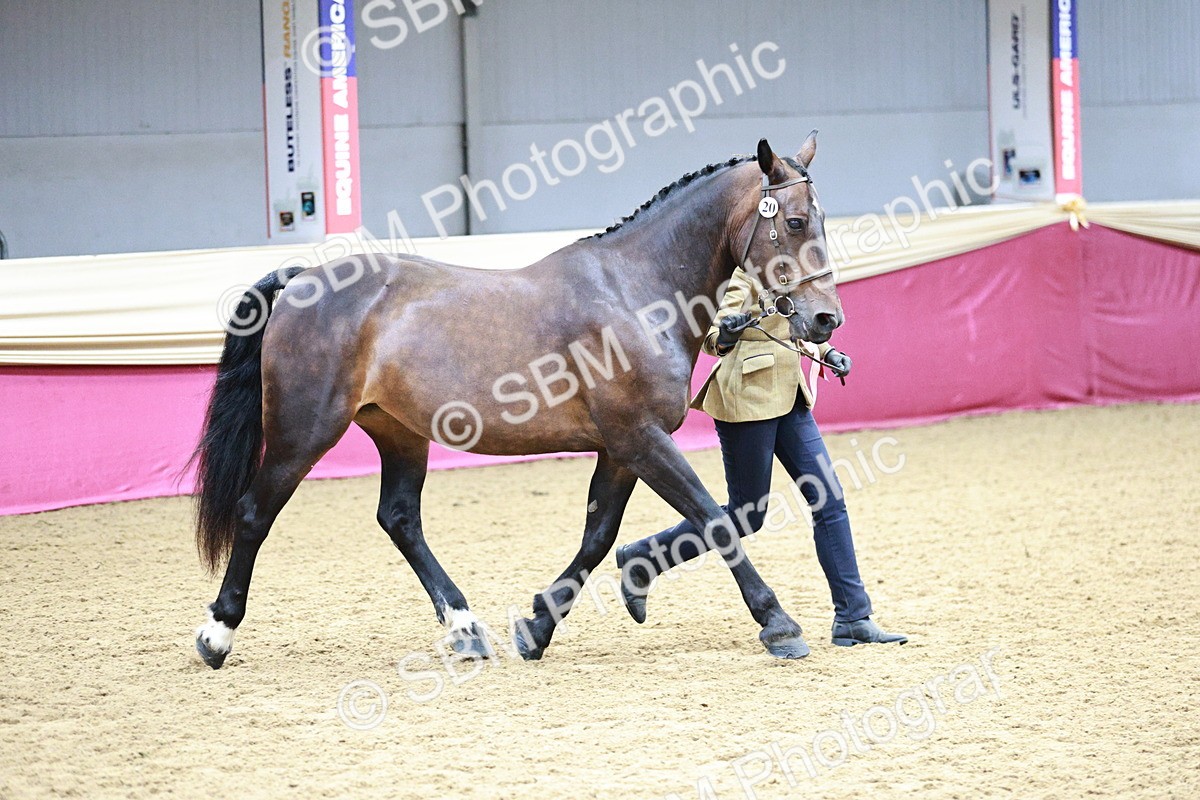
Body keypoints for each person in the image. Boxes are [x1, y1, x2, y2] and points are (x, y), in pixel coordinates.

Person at [615, 266, 907, 653]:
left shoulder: (793, 269)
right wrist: (726, 336)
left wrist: (828, 351)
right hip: (747, 399)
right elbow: (712, 336)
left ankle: (854, 618)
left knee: (830, 500)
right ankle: (645, 557)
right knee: (747, 515)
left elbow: (799, 325)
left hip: (790, 395)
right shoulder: (743, 274)